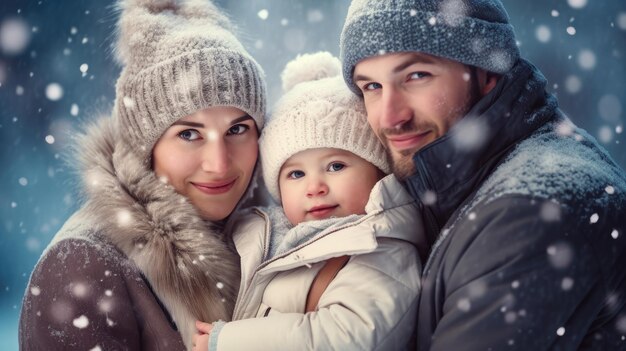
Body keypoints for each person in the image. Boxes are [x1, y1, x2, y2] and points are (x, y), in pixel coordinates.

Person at [340, 0, 626, 350]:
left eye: (416, 76)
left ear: (487, 72)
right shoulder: (456, 190)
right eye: (371, 86)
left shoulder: (529, 213)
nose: (390, 117)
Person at [19, 0, 266, 349]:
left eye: (238, 129)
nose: (219, 163)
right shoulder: (81, 269)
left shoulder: (267, 237)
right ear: (143, 145)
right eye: (188, 134)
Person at [192, 52, 426, 350]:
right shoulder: (272, 238)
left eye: (336, 166)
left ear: (379, 171)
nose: (314, 187)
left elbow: (350, 337)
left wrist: (228, 341)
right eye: (296, 174)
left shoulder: (381, 249)